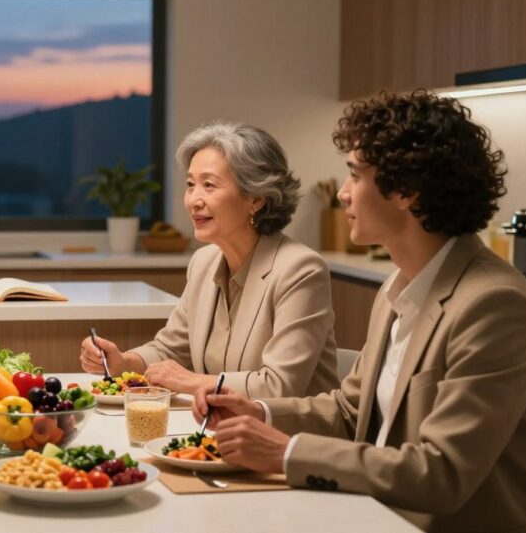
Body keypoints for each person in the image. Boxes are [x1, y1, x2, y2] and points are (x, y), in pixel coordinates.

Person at [193, 90, 526, 532]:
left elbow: (441, 474)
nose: (343, 194)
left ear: (406, 190)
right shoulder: (396, 288)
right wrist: (260, 413)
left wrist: (284, 452)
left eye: (355, 175)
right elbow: (350, 411)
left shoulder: (492, 304)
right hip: (371, 513)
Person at [82, 121, 338, 397]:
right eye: (191, 185)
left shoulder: (300, 270)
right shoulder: (204, 262)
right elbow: (170, 349)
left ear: (256, 198)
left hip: (288, 435)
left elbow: (278, 386)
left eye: (209, 185)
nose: (194, 200)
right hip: (223, 429)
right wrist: (123, 361)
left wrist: (190, 382)